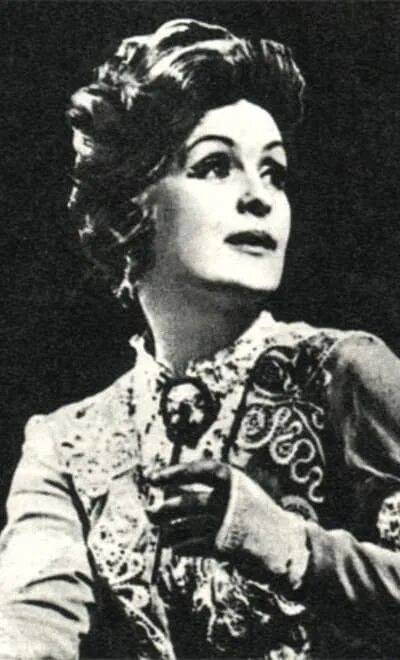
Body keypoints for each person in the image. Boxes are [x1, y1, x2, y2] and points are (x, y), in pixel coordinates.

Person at [1, 17, 400, 660]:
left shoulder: (346, 373)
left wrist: (281, 541)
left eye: (275, 174)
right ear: (131, 209)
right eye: (215, 166)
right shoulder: (68, 445)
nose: (259, 198)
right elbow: (30, 624)